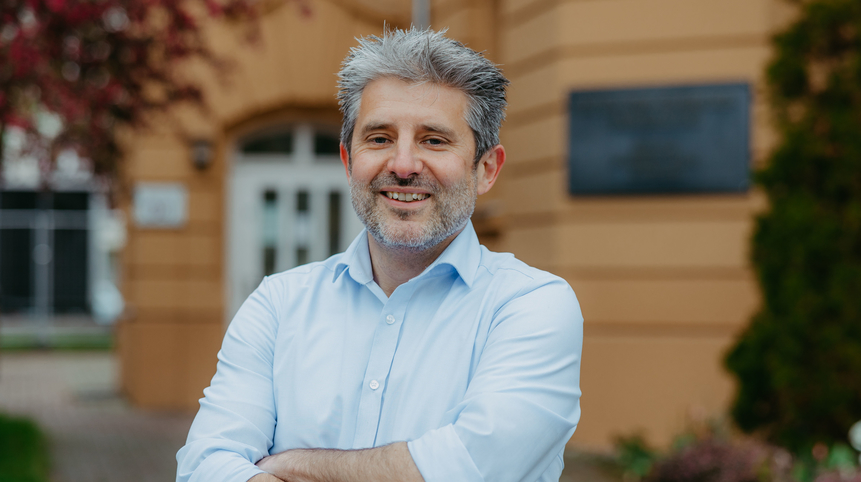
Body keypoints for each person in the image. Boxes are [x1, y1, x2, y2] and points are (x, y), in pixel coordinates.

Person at [176, 27, 583, 482]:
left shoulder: (531, 307)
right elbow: (204, 465)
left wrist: (289, 465)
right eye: (379, 138)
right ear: (349, 163)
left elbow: (465, 470)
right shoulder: (278, 304)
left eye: (434, 140)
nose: (404, 165)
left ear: (486, 169)